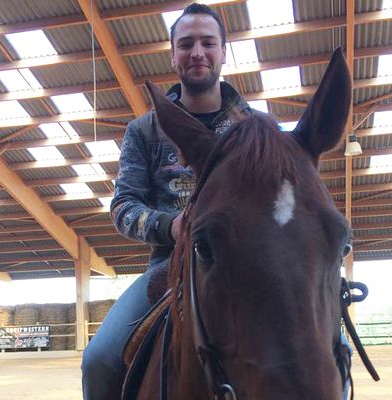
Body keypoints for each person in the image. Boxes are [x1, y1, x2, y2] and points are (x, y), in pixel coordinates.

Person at [80, 3, 255, 399]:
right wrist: (171, 226)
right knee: (99, 360)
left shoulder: (254, 128)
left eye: (208, 43)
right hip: (168, 269)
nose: (198, 52)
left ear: (223, 52)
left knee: (335, 348)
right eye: (186, 43)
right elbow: (123, 207)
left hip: (246, 267)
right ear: (173, 54)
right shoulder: (144, 131)